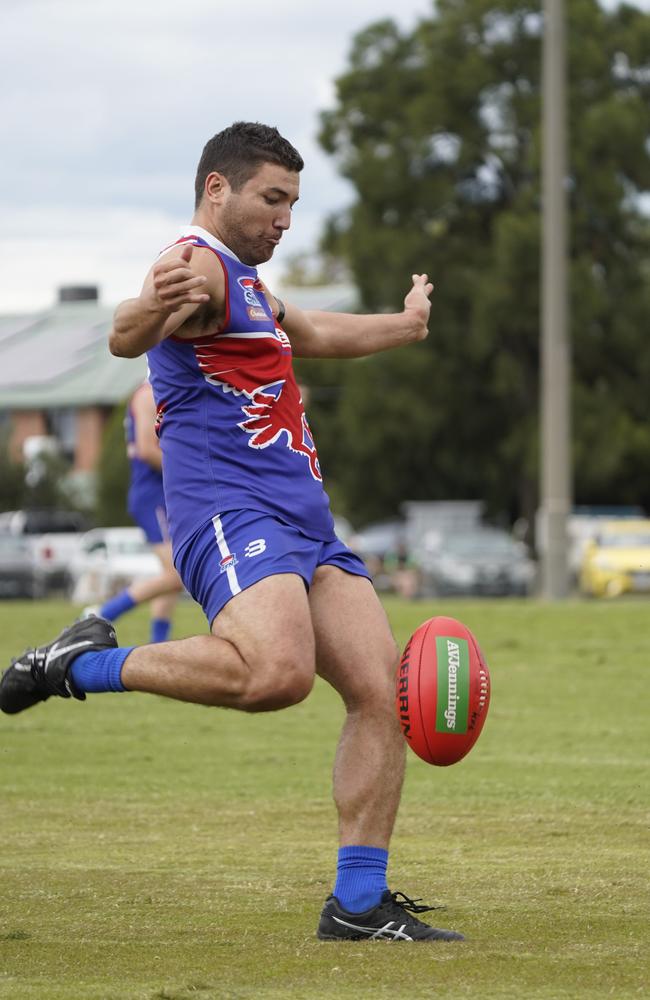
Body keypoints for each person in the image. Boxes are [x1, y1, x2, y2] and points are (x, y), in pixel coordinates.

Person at [1, 122, 463, 943]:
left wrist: (405, 324)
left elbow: (312, 332)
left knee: (380, 695)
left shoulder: (249, 287)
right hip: (230, 513)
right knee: (276, 676)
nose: (285, 218)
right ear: (218, 188)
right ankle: (85, 664)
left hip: (307, 521)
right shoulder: (199, 264)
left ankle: (358, 904)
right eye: (271, 199)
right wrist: (145, 313)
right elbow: (126, 328)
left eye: (293, 201)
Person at [85, 381, 183, 643]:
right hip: (153, 497)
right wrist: (191, 471)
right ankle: (100, 614)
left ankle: (158, 644)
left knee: (172, 574)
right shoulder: (148, 394)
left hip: (162, 496)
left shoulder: (161, 393)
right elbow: (147, 449)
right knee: (177, 575)